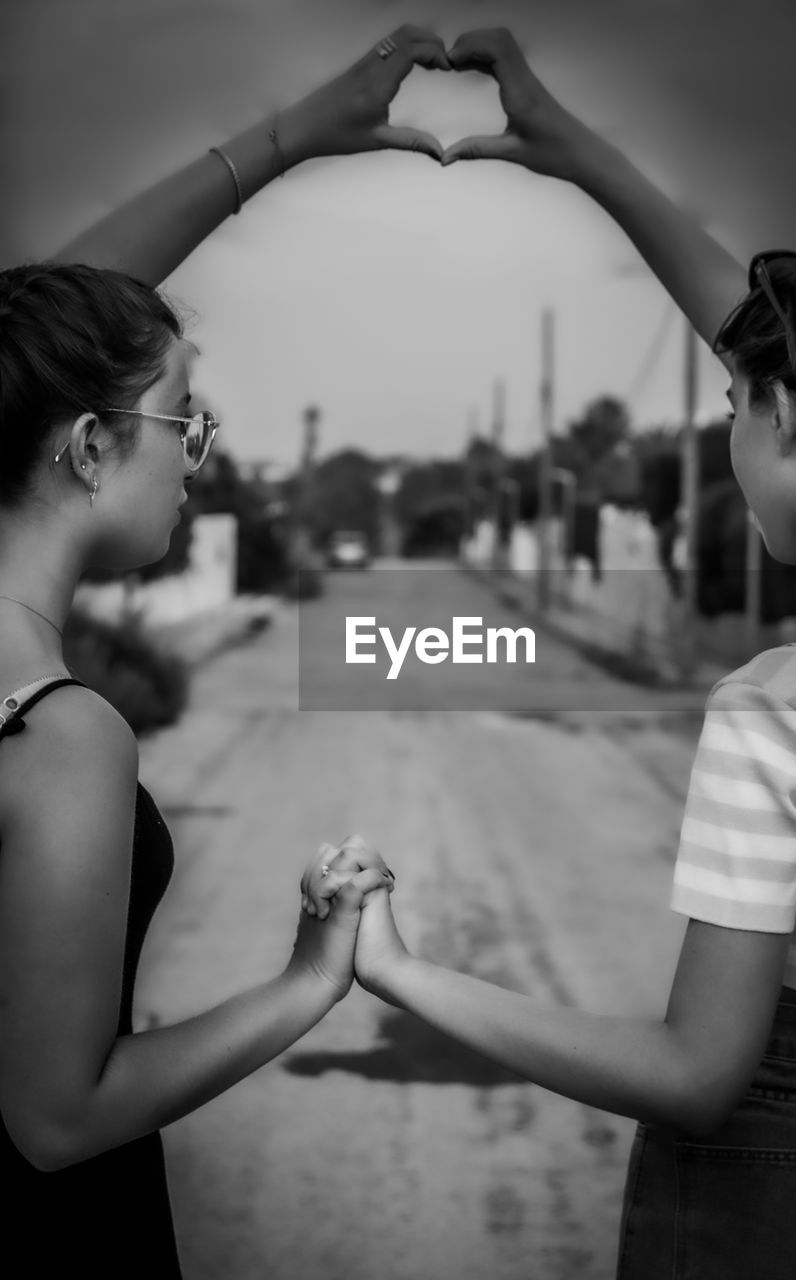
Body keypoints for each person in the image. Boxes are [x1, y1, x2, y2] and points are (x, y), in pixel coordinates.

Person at [304, 28, 796, 1280]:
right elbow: (783, 353)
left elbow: (698, 1074)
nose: (728, 420)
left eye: (731, 404)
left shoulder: (784, 709)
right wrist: (583, 156)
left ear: (773, 412)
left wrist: (397, 969)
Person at [0, 26, 449, 1277]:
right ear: (88, 445)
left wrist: (290, 136)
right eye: (181, 418)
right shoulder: (59, 727)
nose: (200, 451)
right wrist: (309, 979)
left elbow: (35, 338)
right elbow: (56, 1117)